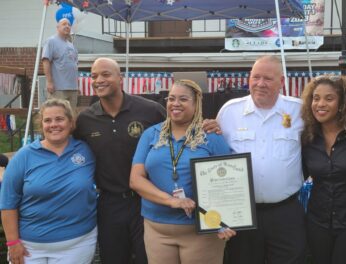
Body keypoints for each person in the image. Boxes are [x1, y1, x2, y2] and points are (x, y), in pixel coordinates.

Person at [130, 79, 236, 264]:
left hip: (200, 230)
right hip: (157, 229)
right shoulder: (151, 134)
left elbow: (228, 182)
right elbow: (136, 180)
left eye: (183, 99)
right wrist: (171, 201)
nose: (175, 104)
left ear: (196, 104)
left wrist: (226, 219)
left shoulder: (211, 136)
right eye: (171, 98)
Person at [74, 58, 166, 264]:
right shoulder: (85, 120)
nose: (98, 80)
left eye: (105, 74)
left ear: (120, 78)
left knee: (149, 259)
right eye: (94, 76)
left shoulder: (151, 110)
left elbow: (180, 134)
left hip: (148, 201)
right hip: (109, 204)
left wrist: (208, 125)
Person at [217, 55, 306, 264]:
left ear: (282, 82)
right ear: (249, 78)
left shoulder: (299, 110)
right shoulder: (230, 111)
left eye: (268, 78)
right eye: (256, 77)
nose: (260, 84)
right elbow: (215, 156)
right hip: (242, 213)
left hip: (286, 211)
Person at [0, 98, 97, 264]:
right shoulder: (24, 156)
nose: (54, 124)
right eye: (48, 120)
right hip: (30, 247)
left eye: (59, 119)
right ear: (41, 124)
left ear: (70, 122)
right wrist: (13, 242)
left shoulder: (86, 150)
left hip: (77, 244)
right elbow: (8, 202)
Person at [301, 75, 346, 264]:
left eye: (329, 98)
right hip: (317, 223)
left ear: (343, 104)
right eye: (316, 98)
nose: (320, 104)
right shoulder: (307, 139)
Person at [42, 18, 79, 111]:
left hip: (72, 88)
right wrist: (49, 82)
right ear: (58, 27)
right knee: (58, 114)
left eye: (69, 25)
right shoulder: (51, 41)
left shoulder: (71, 45)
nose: (67, 26)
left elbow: (74, 65)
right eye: (64, 24)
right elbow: (46, 61)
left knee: (71, 117)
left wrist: (77, 85)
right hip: (58, 88)